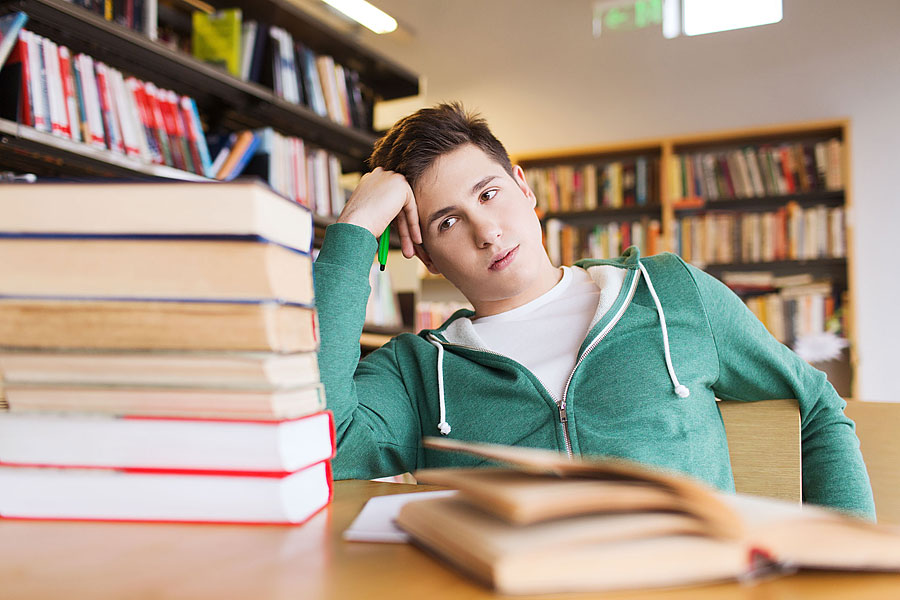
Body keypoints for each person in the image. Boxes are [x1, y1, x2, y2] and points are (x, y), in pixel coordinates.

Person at [313, 102, 874, 518]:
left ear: (523, 188)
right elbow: (321, 450)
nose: (487, 231)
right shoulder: (416, 371)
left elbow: (818, 406)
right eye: (448, 221)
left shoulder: (669, 292)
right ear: (426, 257)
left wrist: (844, 574)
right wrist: (355, 230)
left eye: (489, 194)